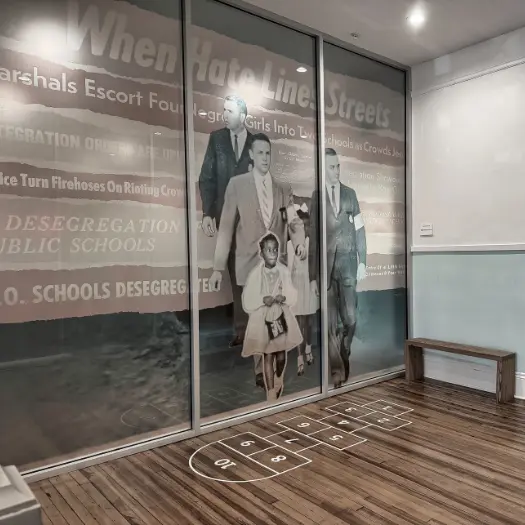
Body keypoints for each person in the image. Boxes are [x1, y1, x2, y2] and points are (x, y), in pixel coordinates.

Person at [209, 133, 306, 388]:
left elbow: (294, 221)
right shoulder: (237, 185)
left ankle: (275, 361)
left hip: (276, 266)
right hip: (250, 264)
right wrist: (218, 268)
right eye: (260, 152)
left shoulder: (283, 188)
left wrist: (299, 243)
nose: (265, 157)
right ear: (251, 155)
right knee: (257, 318)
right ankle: (261, 370)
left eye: (268, 153)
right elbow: (226, 228)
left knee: (275, 316)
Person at [309, 148, 367, 388]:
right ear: (324, 169)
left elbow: (360, 230)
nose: (336, 171)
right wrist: (313, 276)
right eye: (331, 167)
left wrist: (362, 261)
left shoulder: (350, 194)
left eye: (338, 166)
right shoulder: (316, 196)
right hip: (326, 269)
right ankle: (336, 371)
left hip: (348, 266)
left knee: (350, 318)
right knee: (330, 323)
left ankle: (345, 347)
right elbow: (314, 238)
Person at [199, 95, 253, 347]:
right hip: (227, 218)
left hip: (253, 221)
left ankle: (256, 325)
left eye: (229, 111)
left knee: (253, 273)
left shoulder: (256, 143)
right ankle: (242, 330)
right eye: (224, 110)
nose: (224, 115)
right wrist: (207, 212)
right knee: (234, 273)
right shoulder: (217, 139)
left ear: (243, 116)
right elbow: (207, 177)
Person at [241, 233, 302, 401]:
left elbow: (292, 293)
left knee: (280, 356)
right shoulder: (256, 274)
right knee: (268, 354)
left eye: (275, 249)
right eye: (268, 250)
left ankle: (278, 378)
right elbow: (248, 299)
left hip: (280, 317)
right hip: (264, 319)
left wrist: (285, 297)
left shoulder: (283, 271)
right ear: (261, 253)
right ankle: (271, 393)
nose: (273, 253)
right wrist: (262, 299)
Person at [287, 204, 317, 375]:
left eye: (306, 225)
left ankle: (308, 349)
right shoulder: (291, 243)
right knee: (299, 323)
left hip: (309, 283)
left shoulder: (312, 243)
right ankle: (299, 358)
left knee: (309, 321)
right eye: (301, 225)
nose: (304, 228)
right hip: (297, 283)